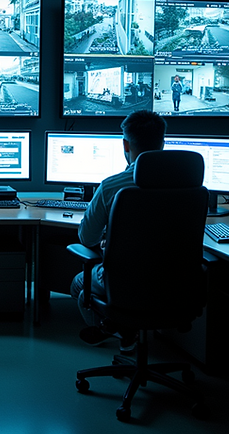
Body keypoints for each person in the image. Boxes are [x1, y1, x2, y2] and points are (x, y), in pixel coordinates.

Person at [70, 110, 167, 346]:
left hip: (124, 280)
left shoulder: (111, 186)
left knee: (79, 285)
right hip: (175, 279)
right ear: (163, 142)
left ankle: (121, 329)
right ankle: (128, 329)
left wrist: (110, 236)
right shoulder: (188, 183)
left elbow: (86, 237)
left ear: (125, 144)